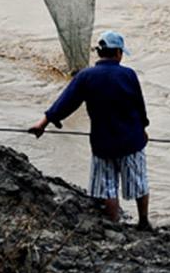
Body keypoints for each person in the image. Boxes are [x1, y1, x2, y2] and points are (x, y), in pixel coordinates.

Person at [29, 31, 151, 230]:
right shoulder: (128, 74)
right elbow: (139, 106)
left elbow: (66, 102)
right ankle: (144, 222)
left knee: (108, 186)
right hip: (131, 140)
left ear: (100, 53)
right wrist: (143, 128)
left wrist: (43, 123)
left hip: (103, 143)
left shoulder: (85, 76)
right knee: (138, 182)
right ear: (118, 53)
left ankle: (114, 225)